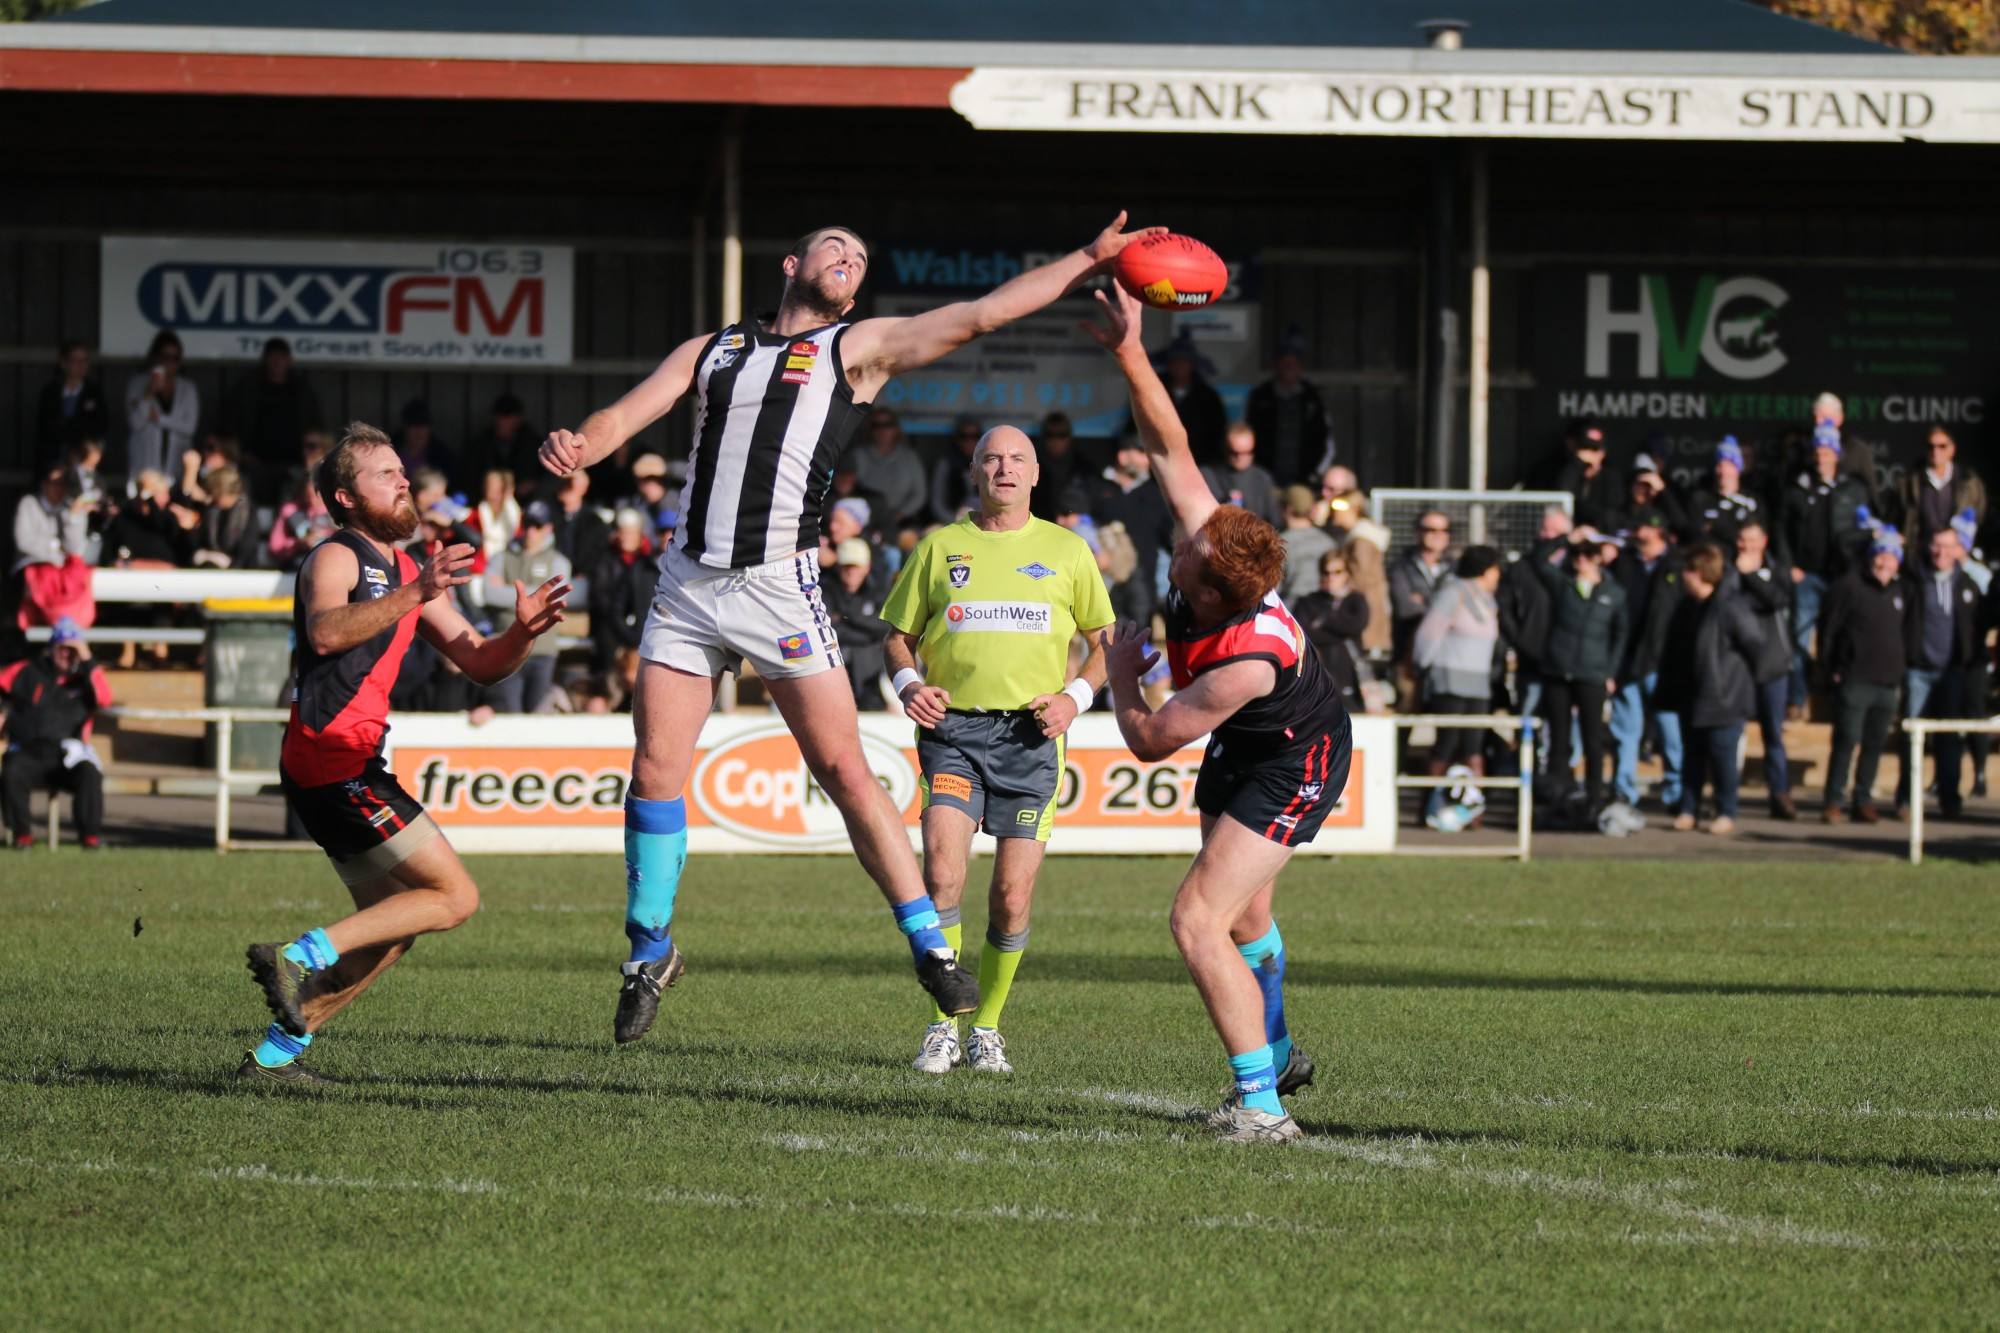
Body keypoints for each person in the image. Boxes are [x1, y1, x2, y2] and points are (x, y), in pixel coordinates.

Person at [540, 216, 1163, 1043]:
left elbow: (979, 315)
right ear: (793, 262)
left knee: (843, 768)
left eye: (861, 259)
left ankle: (929, 945)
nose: (849, 260)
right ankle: (647, 953)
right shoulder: (712, 350)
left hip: (781, 588)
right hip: (689, 583)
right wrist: (581, 444)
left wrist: (1086, 258)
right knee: (654, 768)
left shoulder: (854, 349)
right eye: (836, 247)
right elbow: (622, 418)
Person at [1088, 281, 1347, 1143]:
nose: (1184, 531)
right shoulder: (1222, 549)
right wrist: (1131, 348)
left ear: (1213, 588)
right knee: (1245, 917)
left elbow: (1153, 739)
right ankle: (1280, 1052)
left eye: (1190, 552)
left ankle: (1264, 1110)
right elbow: (1170, 445)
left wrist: (1121, 672)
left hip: (1299, 757)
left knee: (1195, 918)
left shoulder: (1246, 655)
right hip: (1249, 740)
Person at [240, 423, 569, 1084]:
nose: (403, 481)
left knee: (393, 927)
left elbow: (480, 663)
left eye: (401, 470)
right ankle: (301, 952)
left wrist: (523, 632)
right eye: (384, 473)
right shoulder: (336, 556)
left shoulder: (409, 572)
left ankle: (276, 1056)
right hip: (332, 757)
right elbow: (327, 631)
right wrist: (415, 594)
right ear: (346, 498)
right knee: (455, 897)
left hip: (342, 765)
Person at [880, 425, 1111, 1074]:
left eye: (1017, 459)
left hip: (1033, 739)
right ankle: (941, 1028)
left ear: (1036, 474)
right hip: (953, 733)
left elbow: (1107, 644)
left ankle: (986, 1026)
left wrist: (1075, 699)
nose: (1004, 468)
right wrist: (909, 683)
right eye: (992, 458)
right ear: (974, 472)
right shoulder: (938, 547)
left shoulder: (1069, 551)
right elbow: (896, 636)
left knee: (1011, 896)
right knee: (942, 875)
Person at [1659, 543, 1764, 836]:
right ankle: (1688, 809)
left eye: (1687, 570)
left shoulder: (1731, 605)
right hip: (1691, 695)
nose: (1683, 576)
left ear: (1700, 573)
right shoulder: (1687, 608)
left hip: (1725, 697)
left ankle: (1725, 811)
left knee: (1722, 759)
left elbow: (1755, 646)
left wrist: (1738, 683)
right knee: (1691, 757)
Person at [1818, 527, 1907, 823]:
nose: (1884, 563)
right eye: (1880, 555)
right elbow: (1828, 630)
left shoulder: (1901, 590)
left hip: (1888, 682)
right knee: (1846, 739)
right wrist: (1831, 669)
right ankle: (1833, 801)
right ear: (1871, 557)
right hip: (1855, 679)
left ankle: (1863, 800)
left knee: (1875, 744)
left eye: (1891, 557)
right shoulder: (1848, 587)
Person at [1780, 421, 1869, 716]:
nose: (1822, 457)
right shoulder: (1797, 488)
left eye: (1827, 452)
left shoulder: (1853, 489)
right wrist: (1789, 564)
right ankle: (1797, 698)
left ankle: (1834, 699)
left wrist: (1852, 564)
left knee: (1839, 639)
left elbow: (1864, 529)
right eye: (1817, 452)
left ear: (1837, 454)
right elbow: (1781, 529)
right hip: (1807, 574)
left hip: (1841, 576)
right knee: (1799, 639)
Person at [0, 617, 111, 851]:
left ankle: (90, 837)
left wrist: (88, 659)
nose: (66, 655)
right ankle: (22, 836)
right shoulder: (28, 671)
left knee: (89, 773)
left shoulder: (86, 676)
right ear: (51, 649)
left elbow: (104, 698)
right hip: (29, 751)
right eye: (62, 649)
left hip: (67, 753)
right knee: (12, 769)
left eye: (73, 650)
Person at [1897, 526, 1983, 821]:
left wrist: (1971, 661)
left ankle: (1950, 799)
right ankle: (1906, 799)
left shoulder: (1968, 584)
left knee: (1949, 740)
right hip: (1918, 670)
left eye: (1947, 547)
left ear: (1959, 550)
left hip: (1952, 673)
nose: (1941, 552)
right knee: (1911, 737)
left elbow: (1977, 628)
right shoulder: (1913, 581)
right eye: (1936, 546)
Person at [1535, 533, 1626, 812]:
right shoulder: (1564, 585)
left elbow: (1620, 635)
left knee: (1593, 739)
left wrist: (1610, 671)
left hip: (1592, 673)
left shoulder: (1614, 593)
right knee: (1558, 740)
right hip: (1559, 671)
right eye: (1576, 555)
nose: (1581, 560)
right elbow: (1539, 562)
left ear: (1599, 558)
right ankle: (1558, 794)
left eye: (1587, 554)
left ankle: (1595, 796)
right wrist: (1564, 538)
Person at [1414, 546, 1503, 827]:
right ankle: (1429, 806)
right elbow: (1428, 634)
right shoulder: (1452, 594)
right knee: (1446, 744)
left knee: (1474, 747)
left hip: (1478, 683)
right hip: (1450, 679)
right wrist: (1422, 668)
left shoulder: (1488, 600)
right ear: (1485, 569)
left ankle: (1472, 810)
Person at [1608, 516, 1683, 810]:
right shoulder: (1624, 564)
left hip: (1664, 661)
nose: (1639, 532)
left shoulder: (1676, 564)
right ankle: (1624, 790)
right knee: (1625, 729)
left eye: (1645, 526)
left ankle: (1676, 792)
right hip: (1627, 659)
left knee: (1670, 730)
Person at [1731, 521, 1796, 819]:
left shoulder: (1777, 570)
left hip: (1772, 664)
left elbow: (1777, 599)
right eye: (1742, 540)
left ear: (1764, 540)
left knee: (1773, 734)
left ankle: (1779, 793)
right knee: (1732, 733)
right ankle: (1726, 794)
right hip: (1736, 665)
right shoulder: (1728, 570)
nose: (1746, 546)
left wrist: (1751, 576)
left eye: (1753, 540)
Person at [221, 336, 321, 502]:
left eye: (281, 358)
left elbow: (315, 428)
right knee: (245, 497)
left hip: (294, 463)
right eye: (273, 358)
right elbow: (231, 423)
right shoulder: (248, 388)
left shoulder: (302, 391)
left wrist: (308, 455)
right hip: (255, 463)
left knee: (293, 500)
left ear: (289, 360)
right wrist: (242, 452)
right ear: (264, 359)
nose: (277, 363)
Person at [1090, 435, 1173, 629]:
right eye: (1142, 453)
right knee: (1102, 644)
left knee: (1139, 646)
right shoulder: (1095, 486)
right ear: (1123, 456)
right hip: (1104, 583)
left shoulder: (1155, 493)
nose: (1148, 461)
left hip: (1143, 585)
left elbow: (1171, 538)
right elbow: (1078, 525)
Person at [1243, 328, 1332, 489]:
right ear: (1277, 365)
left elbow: (1326, 440)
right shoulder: (1260, 396)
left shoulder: (1312, 398)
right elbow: (1245, 435)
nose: (1289, 367)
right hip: (1265, 481)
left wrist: (1315, 474)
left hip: (1303, 482)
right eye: (1285, 363)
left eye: (1294, 363)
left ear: (1300, 366)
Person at [1292, 548, 1368, 707]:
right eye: (1326, 572)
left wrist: (1325, 621)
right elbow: (1303, 635)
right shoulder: (1308, 602)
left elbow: (1356, 626)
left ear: (1348, 573)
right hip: (1318, 673)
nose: (1330, 577)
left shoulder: (1356, 599)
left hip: (1349, 674)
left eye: (1337, 572)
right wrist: (1340, 631)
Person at [825, 537, 894, 710]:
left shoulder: (879, 590)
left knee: (869, 651)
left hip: (870, 658)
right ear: (839, 566)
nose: (851, 571)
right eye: (847, 566)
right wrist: (868, 631)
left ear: (867, 566)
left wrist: (850, 617)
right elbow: (828, 630)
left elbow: (887, 626)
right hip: (837, 656)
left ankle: (871, 701)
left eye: (856, 566)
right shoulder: (825, 589)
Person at [123, 330, 199, 485]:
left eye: (175, 359)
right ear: (155, 357)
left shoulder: (187, 389)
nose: (169, 363)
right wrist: (149, 391)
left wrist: (159, 418)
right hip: (146, 465)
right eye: (165, 358)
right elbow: (136, 422)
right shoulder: (138, 384)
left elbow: (189, 427)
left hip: (175, 465)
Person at [1890, 424, 1986, 547]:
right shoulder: (1907, 483)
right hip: (1919, 555)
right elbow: (1896, 519)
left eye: (1942, 446)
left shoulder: (1968, 482)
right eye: (1931, 446)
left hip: (1955, 554)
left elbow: (1979, 516)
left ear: (1952, 449)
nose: (1936, 451)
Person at [590, 508, 659, 675]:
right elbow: (599, 594)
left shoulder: (648, 561)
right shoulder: (606, 558)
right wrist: (619, 621)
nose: (625, 537)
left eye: (630, 533)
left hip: (641, 620)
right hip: (611, 620)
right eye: (622, 532)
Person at [843, 408, 930, 538]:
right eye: (876, 425)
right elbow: (849, 490)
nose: (882, 430)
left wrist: (899, 515)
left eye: (887, 425)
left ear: (896, 429)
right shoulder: (858, 456)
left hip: (903, 522)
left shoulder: (910, 457)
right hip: (864, 521)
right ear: (869, 429)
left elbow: (919, 494)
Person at [1326, 488, 1392, 657]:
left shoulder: (1362, 542)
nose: (1334, 513)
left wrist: (1341, 590)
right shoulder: (1358, 538)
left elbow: (1364, 578)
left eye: (1339, 509)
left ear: (1354, 510)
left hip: (1363, 612)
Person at [1389, 510, 1453, 674]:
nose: (1438, 535)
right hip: (1409, 652)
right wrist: (1442, 608)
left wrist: (1423, 599)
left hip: (1447, 657)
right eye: (1430, 530)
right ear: (1418, 533)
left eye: (1444, 530)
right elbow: (1405, 608)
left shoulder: (1456, 568)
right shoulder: (1401, 566)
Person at [1154, 330, 1228, 469]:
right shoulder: (1153, 392)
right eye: (1175, 360)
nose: (1179, 365)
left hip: (1199, 465)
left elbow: (1218, 433)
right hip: (1160, 462)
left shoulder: (1208, 397)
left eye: (1184, 360)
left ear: (1192, 364)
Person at [36, 341, 108, 456]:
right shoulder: (51, 392)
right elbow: (45, 428)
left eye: (84, 360)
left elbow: (99, 427)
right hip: (54, 460)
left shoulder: (94, 393)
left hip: (84, 460)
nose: (81, 365)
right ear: (64, 363)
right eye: (76, 360)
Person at [1200, 422, 1279, 528]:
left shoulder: (1262, 478)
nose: (1241, 458)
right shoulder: (1207, 475)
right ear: (1224, 448)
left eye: (1248, 452)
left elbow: (1274, 518)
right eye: (1234, 453)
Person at [1688, 437, 1764, 546]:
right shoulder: (1699, 499)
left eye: (1729, 465)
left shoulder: (1751, 501)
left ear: (1738, 468)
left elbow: (1753, 537)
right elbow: (1693, 533)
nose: (1723, 471)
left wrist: (1715, 528)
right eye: (1719, 465)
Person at [188, 465, 262, 570]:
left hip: (240, 571)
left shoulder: (247, 511)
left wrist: (227, 564)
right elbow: (198, 542)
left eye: (214, 494)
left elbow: (246, 551)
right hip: (210, 566)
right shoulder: (210, 509)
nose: (211, 497)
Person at [1277, 484, 1336, 603]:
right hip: (1323, 613)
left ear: (1288, 510)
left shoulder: (1278, 545)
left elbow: (1271, 591)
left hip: (1290, 615)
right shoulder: (1329, 542)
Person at [929, 415, 983, 526]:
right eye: (963, 436)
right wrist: (955, 521)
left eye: (974, 436)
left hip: (986, 524)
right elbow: (937, 503)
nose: (969, 441)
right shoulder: (946, 464)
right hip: (952, 523)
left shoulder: (989, 463)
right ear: (956, 438)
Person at [395, 399, 458, 491]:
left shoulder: (441, 454)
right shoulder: (391, 449)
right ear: (405, 427)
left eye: (423, 425)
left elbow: (451, 487)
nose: (419, 432)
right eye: (414, 425)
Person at [1028, 411, 1079, 522]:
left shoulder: (1081, 466)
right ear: (1043, 437)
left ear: (1069, 437)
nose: (1056, 440)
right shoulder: (1030, 466)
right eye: (1050, 435)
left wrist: (1078, 515)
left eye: (1062, 435)